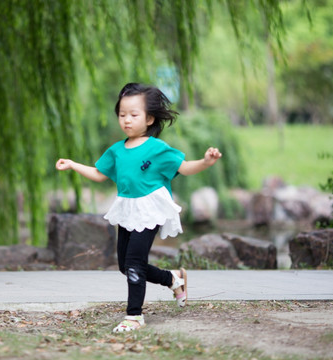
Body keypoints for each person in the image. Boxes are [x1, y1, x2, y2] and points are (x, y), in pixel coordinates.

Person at [56, 83, 222, 333]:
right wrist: (72, 164)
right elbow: (99, 174)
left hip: (150, 208)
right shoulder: (116, 150)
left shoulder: (156, 148)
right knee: (125, 265)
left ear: (149, 118)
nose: (127, 120)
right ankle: (174, 279)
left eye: (134, 115)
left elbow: (185, 167)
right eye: (122, 114)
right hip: (127, 208)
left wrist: (206, 162)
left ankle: (134, 315)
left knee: (134, 261)